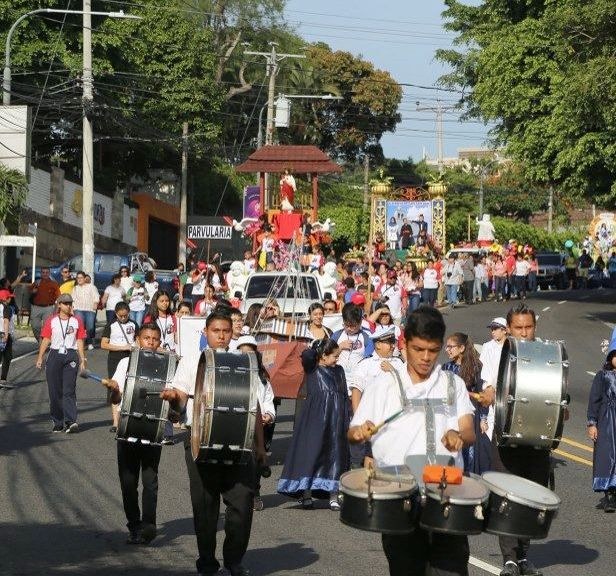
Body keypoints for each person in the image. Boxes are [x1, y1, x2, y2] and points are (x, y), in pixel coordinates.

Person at [348, 306, 475, 576]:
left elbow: (468, 430)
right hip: (398, 494)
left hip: (445, 492)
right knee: (406, 568)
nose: (426, 357)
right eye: (419, 349)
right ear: (405, 343)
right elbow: (354, 430)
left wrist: (458, 436)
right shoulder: (384, 385)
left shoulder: (453, 384)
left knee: (451, 570)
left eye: (433, 350)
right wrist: (360, 432)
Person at [161, 312, 266, 576]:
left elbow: (253, 405)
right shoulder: (192, 361)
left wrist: (260, 446)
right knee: (205, 506)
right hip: (199, 439)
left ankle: (234, 560)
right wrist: (173, 398)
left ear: (233, 333)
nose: (221, 335)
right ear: (205, 332)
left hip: (238, 442)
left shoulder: (243, 361)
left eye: (226, 331)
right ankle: (207, 562)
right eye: (216, 330)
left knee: (242, 503)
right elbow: (181, 398)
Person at [480, 305, 552, 576]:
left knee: (532, 498)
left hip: (536, 436)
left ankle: (524, 555)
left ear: (535, 326)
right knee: (508, 496)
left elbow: (557, 391)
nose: (524, 332)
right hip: (504, 433)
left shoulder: (547, 352)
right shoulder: (495, 352)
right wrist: (489, 393)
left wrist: (561, 409)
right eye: (518, 328)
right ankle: (509, 558)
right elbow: (487, 386)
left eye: (528, 327)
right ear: (509, 328)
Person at [101, 323, 165, 544]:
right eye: (146, 338)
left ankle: (149, 525)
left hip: (153, 430)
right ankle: (134, 526)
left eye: (154, 339)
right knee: (128, 483)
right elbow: (116, 396)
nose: (150, 342)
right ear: (138, 339)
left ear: (160, 342)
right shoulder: (125, 363)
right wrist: (114, 390)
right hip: (127, 429)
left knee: (150, 481)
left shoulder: (166, 366)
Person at [277, 338, 350, 510]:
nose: (337, 359)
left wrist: (346, 417)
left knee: (335, 455)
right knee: (312, 453)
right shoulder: (313, 369)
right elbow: (307, 355)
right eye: (334, 356)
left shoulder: (339, 371)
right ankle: (306, 493)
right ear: (323, 356)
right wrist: (321, 347)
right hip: (316, 419)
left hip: (336, 419)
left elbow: (344, 394)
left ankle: (333, 494)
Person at [35, 293, 87, 433]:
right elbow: (46, 339)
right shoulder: (51, 320)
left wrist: (82, 359)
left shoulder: (77, 321)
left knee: (69, 390)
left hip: (70, 355)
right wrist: (40, 357)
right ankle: (58, 421)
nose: (68, 305)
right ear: (59, 305)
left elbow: (80, 340)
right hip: (54, 355)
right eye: (65, 303)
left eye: (70, 303)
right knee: (54, 391)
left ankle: (71, 421)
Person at [236, 334, 276, 512]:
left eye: (250, 353)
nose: (247, 356)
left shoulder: (262, 377)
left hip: (258, 426)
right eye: (243, 352)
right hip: (238, 424)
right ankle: (240, 494)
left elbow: (268, 399)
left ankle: (255, 493)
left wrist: (268, 414)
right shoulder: (232, 374)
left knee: (256, 459)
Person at [442, 332, 491, 474]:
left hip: (469, 415)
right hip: (450, 414)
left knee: (469, 453)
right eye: (447, 347)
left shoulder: (477, 368)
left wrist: (483, 418)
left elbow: (483, 395)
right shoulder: (446, 367)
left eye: (451, 347)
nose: (447, 350)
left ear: (462, 348)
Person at [587, 328, 616, 512]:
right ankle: (609, 494)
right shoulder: (603, 376)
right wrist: (592, 423)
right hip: (607, 423)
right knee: (607, 456)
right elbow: (594, 400)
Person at [101, 301, 138, 433]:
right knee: (115, 388)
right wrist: (121, 347)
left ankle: (127, 419)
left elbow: (138, 340)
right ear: (116, 314)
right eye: (120, 316)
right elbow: (104, 344)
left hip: (130, 357)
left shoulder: (134, 324)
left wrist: (134, 346)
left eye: (125, 315)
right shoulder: (111, 325)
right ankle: (115, 422)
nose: (123, 318)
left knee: (130, 387)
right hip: (115, 358)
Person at [30, 267, 61, 342]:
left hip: (48, 308)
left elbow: (59, 297)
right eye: (43, 272)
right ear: (41, 273)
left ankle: (44, 342)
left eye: (46, 272)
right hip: (36, 307)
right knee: (35, 326)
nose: (45, 274)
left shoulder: (54, 284)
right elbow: (30, 292)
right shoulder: (37, 282)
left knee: (47, 327)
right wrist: (33, 291)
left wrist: (57, 309)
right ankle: (40, 340)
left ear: (49, 273)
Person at [72, 270, 100, 350]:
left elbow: (96, 296)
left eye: (81, 278)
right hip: (78, 309)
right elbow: (72, 299)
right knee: (80, 326)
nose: (79, 279)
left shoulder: (91, 287)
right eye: (78, 278)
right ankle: (79, 343)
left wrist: (95, 303)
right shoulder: (75, 288)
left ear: (84, 278)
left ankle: (89, 342)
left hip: (90, 309)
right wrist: (72, 308)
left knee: (90, 327)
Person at [0, 288, 16, 388]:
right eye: (9, 297)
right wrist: (6, 335)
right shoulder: (7, 308)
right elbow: (6, 321)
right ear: (4, 298)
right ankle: (3, 379)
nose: (10, 299)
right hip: (3, 334)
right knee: (7, 357)